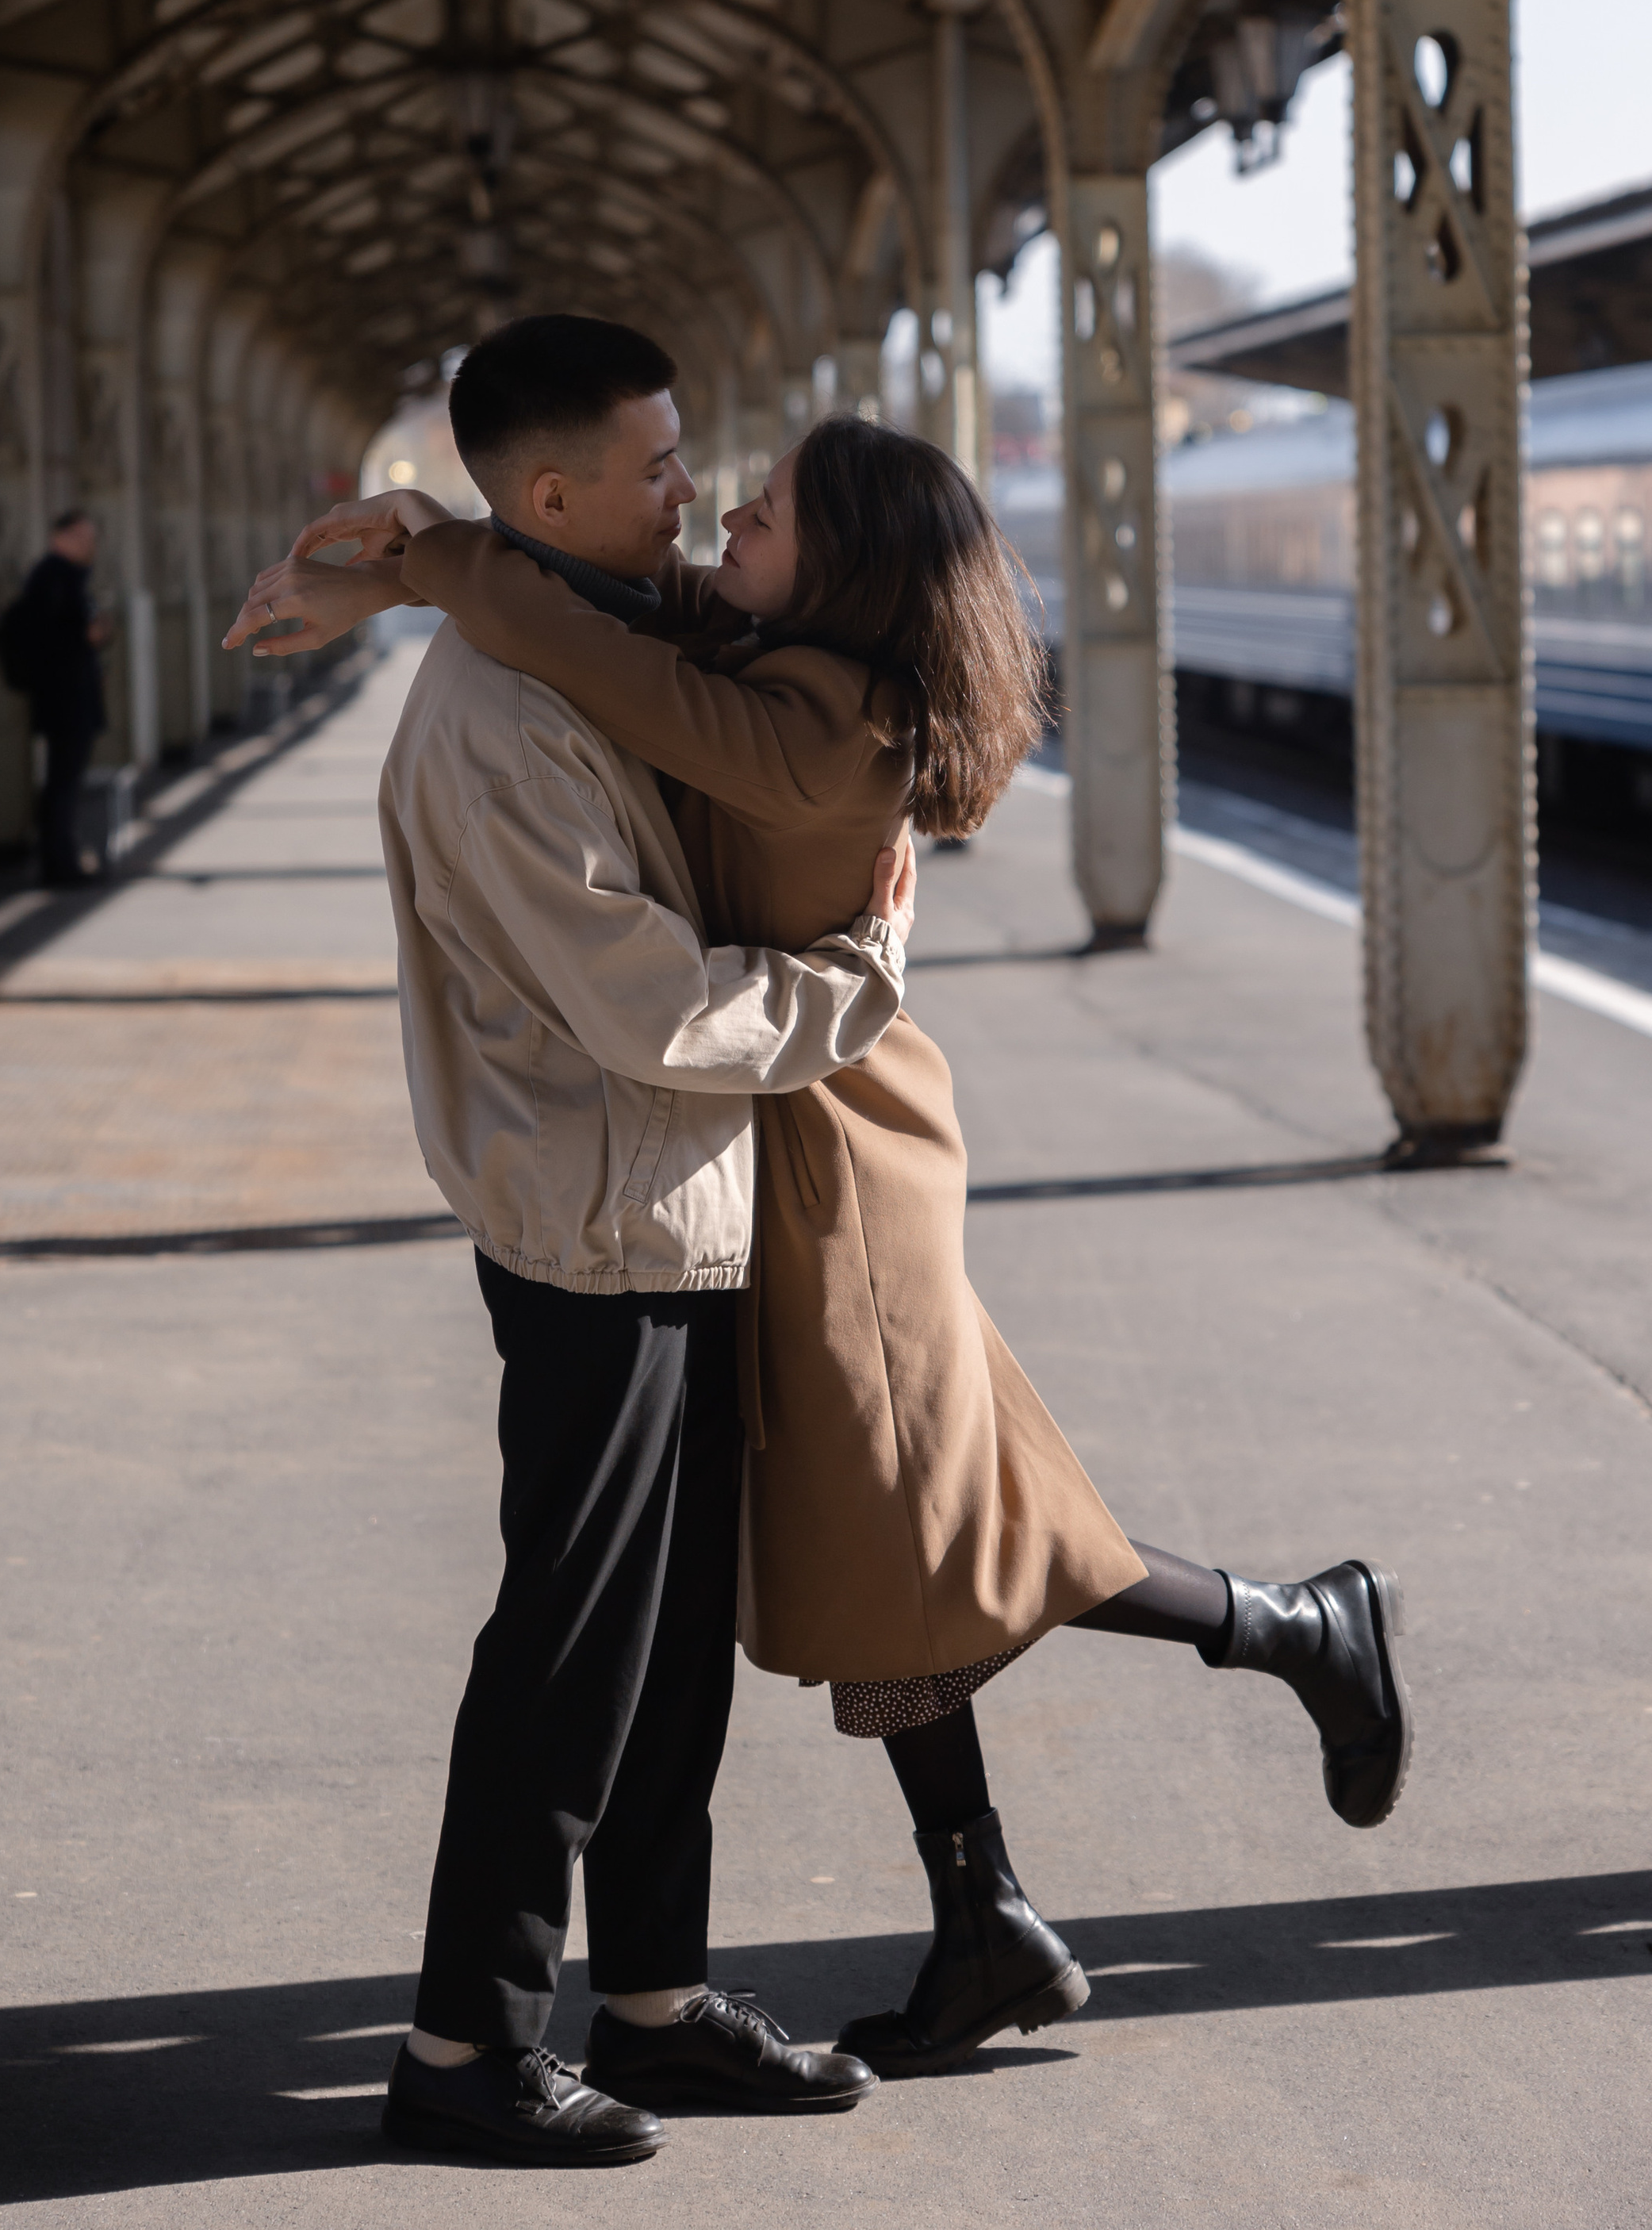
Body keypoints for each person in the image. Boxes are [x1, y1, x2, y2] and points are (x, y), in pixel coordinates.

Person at [237, 344, 1412, 2085]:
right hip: (753, 1131)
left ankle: (1276, 1639)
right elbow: (593, 624)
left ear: (840, 573)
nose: (714, 507)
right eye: (679, 475)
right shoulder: (743, 655)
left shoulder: (809, 725)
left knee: (932, 1526)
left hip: (829, 1137)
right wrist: (415, 549)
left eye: (759, 506)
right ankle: (982, 1906)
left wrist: (434, 556)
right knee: (890, 1533)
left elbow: (582, 638)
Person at [231, 317, 913, 2167]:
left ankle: (656, 2004)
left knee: (668, 1646)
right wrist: (857, 979)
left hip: (665, 1208)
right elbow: (653, 1008)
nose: (691, 492)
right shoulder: (504, 721)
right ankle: (461, 2043)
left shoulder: (569, 636)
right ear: (551, 496)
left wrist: (395, 558)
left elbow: (676, 635)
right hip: (597, 1221)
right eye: (660, 464)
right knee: (570, 1649)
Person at [0, 507, 110, 888]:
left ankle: (63, 860)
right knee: (62, 783)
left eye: (91, 538)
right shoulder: (51, 577)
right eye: (82, 538)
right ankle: (60, 865)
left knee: (65, 781)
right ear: (59, 538)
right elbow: (48, 637)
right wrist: (86, 637)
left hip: (70, 695)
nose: (89, 546)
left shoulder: (66, 577)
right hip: (64, 698)